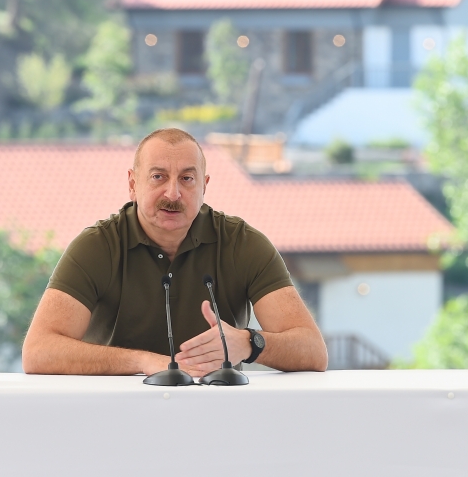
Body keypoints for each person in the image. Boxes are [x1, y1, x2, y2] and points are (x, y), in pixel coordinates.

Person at [22, 128, 327, 377]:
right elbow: (38, 350)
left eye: (186, 179)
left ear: (204, 186)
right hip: (116, 413)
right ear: (133, 184)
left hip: (218, 414)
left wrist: (249, 343)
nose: (173, 193)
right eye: (158, 177)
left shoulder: (244, 244)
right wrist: (142, 362)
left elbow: (313, 350)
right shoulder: (97, 246)